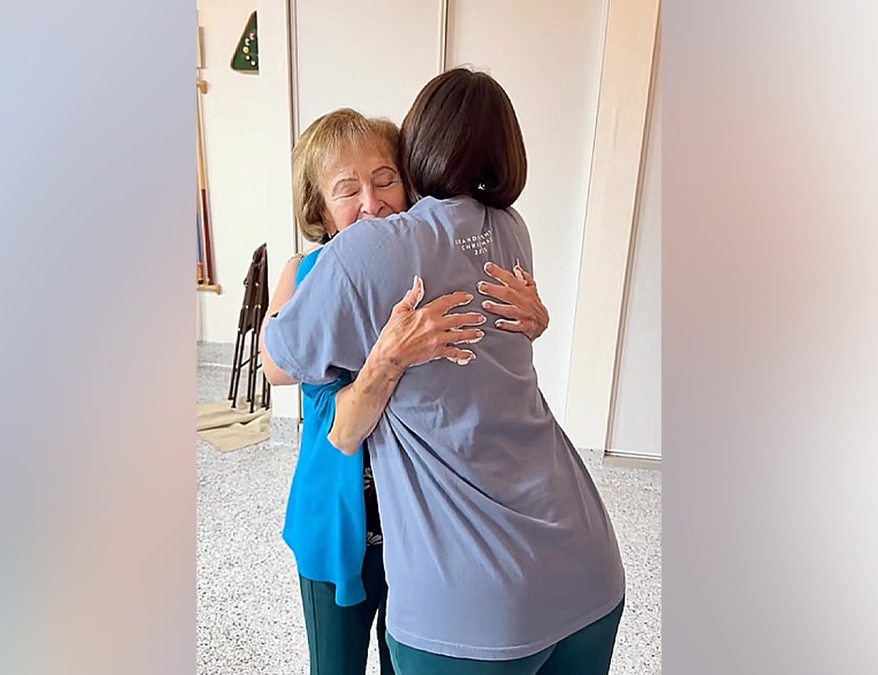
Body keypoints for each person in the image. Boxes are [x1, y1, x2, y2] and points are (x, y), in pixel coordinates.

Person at [263, 68, 626, 674]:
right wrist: (383, 352)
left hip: (464, 585)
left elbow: (279, 355)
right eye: (348, 190)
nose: (372, 203)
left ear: (413, 162)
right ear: (319, 208)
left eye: (385, 179)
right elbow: (328, 416)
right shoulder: (509, 228)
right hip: (583, 559)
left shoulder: (367, 254)